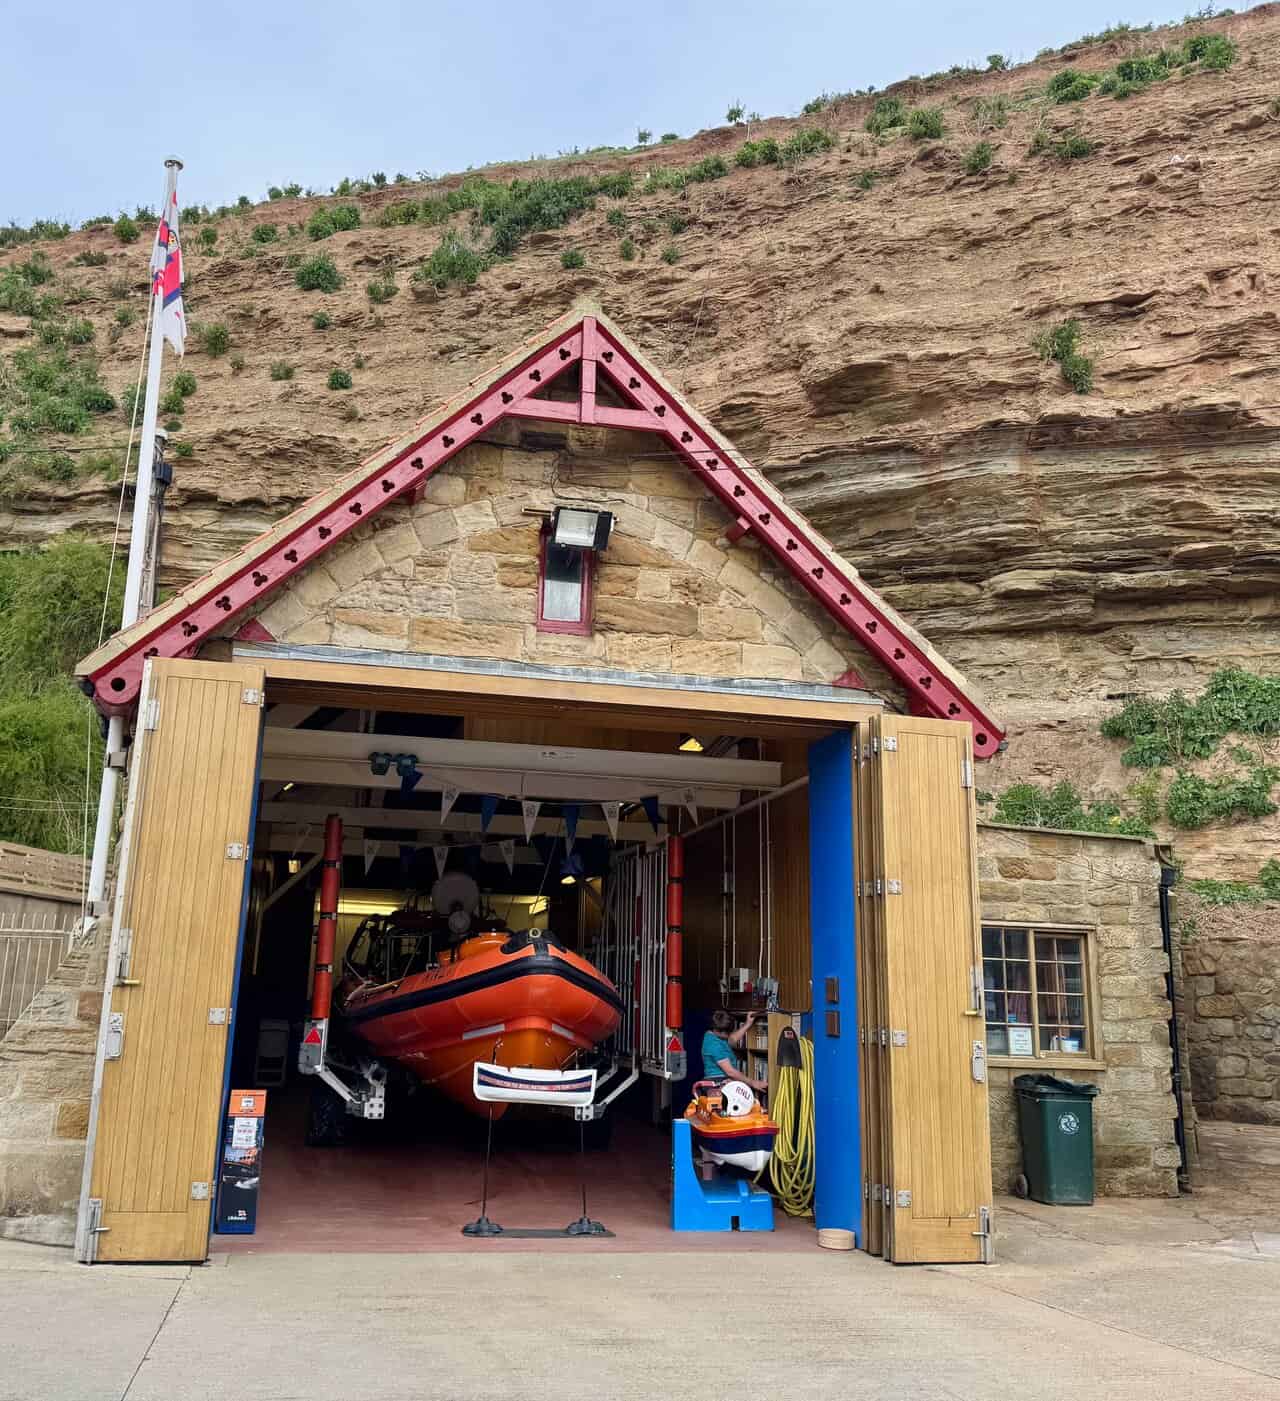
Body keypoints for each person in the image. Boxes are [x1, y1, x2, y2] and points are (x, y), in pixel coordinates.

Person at [700, 1009, 767, 1093]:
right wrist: (753, 1083)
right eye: (727, 1033)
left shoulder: (714, 1035)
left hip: (724, 1080)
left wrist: (748, 1023)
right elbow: (730, 1072)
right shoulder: (713, 1045)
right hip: (717, 1082)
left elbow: (732, 1039)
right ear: (719, 1031)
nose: (729, 1035)